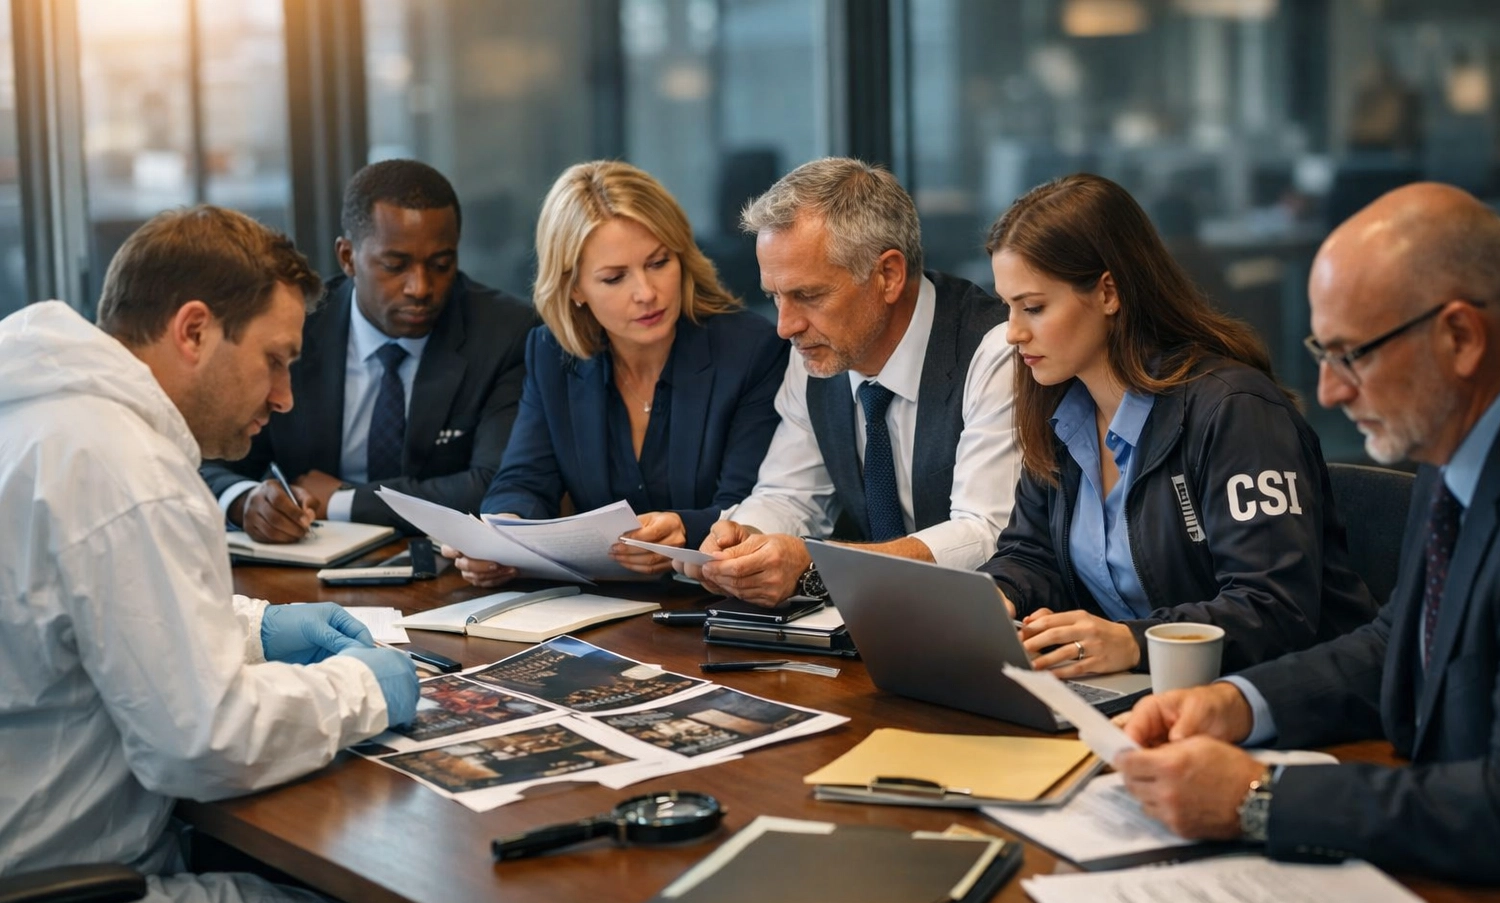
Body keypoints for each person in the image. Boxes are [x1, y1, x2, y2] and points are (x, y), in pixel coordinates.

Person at [0, 206, 460, 903]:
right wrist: (364, 686)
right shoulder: (122, 463)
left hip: (34, 863)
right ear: (193, 331)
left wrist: (255, 628)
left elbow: (96, 616)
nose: (284, 397)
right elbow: (205, 745)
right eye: (276, 361)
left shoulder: (40, 415)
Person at [1116, 182, 1500, 885]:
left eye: (1352, 356)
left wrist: (1257, 799)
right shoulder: (1457, 443)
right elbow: (1398, 645)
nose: (1331, 392)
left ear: (1460, 337)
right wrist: (1238, 703)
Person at [978, 174, 1376, 678]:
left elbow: (1273, 607)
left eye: (1033, 307)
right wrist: (997, 596)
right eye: (1008, 306)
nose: (1013, 332)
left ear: (1107, 292)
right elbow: (1031, 554)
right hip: (1137, 693)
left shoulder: (1236, 411)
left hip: (1274, 702)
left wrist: (1132, 642)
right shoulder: (1062, 408)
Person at [681, 157, 1018, 606]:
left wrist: (818, 562)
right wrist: (745, 540)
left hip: (996, 626)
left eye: (807, 295)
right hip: (873, 627)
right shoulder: (816, 351)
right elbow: (790, 495)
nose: (785, 326)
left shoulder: (995, 349)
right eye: (774, 297)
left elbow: (987, 532)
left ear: (888, 275)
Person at [449, 160, 786, 585]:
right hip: (603, 609)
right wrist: (498, 537)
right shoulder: (551, 353)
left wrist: (686, 529)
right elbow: (524, 478)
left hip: (715, 602)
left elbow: (756, 505)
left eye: (659, 262)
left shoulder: (751, 349)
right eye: (614, 278)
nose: (646, 293)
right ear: (574, 289)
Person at [201, 159, 538, 541]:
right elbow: (207, 454)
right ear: (348, 258)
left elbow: (496, 484)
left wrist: (345, 501)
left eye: (441, 265)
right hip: (304, 561)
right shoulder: (294, 328)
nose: (420, 288)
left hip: (440, 564)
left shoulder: (503, 334)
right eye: (395, 265)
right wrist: (245, 500)